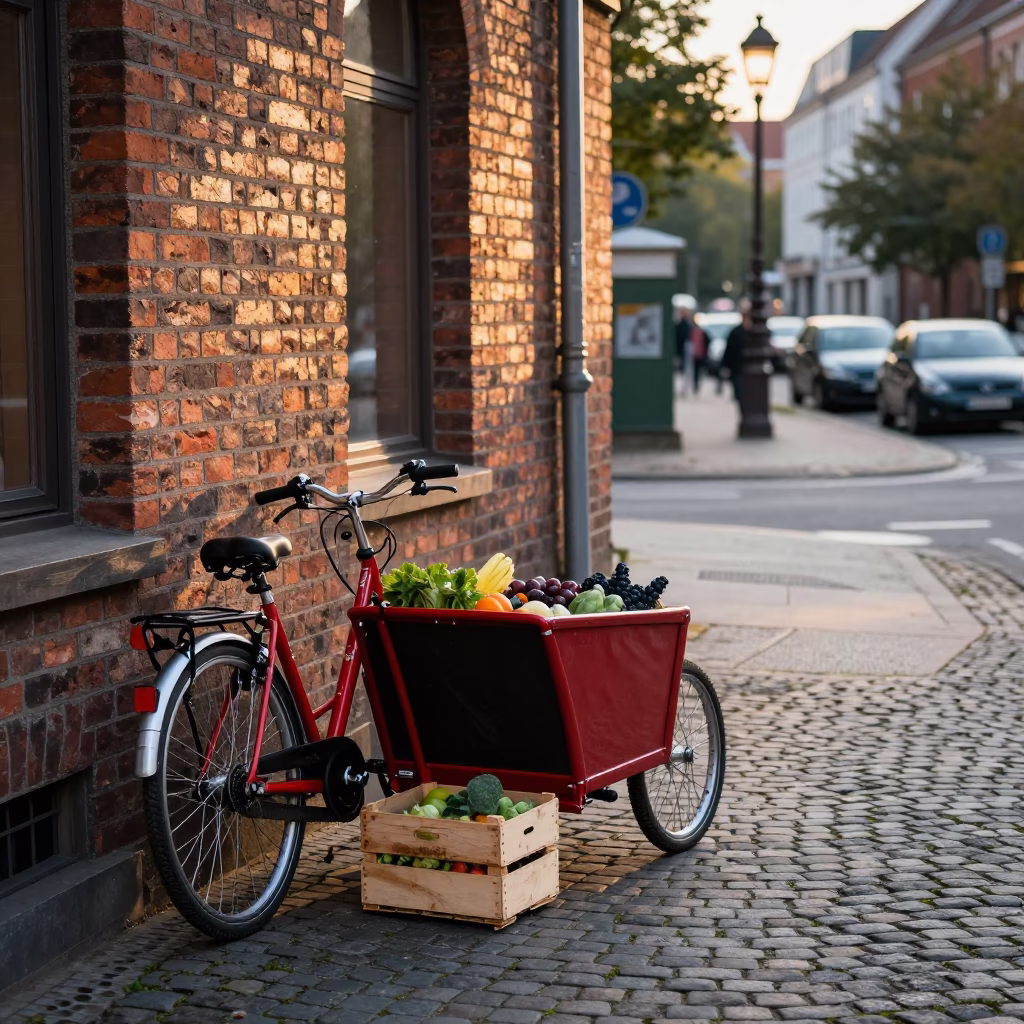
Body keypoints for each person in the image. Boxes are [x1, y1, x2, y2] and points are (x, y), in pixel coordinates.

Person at [722, 306, 752, 406]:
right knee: (740, 395)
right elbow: (729, 350)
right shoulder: (736, 332)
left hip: (750, 368)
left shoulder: (754, 332)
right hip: (738, 368)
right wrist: (725, 366)